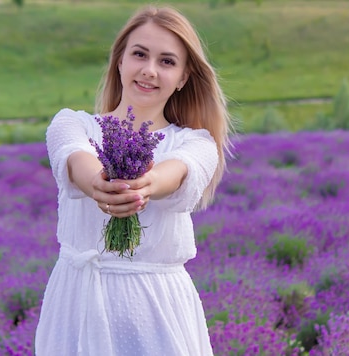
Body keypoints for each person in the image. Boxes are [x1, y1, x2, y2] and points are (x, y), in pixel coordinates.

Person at [34, 4, 232, 355]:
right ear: (120, 61)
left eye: (167, 61)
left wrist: (147, 183)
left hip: (157, 308)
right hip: (80, 303)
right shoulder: (72, 124)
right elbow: (75, 157)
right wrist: (99, 182)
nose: (149, 70)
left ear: (184, 77)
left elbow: (180, 170)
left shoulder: (196, 143)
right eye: (139, 54)